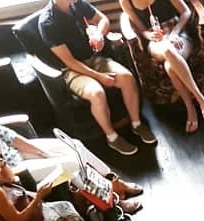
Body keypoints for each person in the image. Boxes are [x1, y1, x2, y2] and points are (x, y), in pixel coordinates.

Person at [0, 84, 143, 215]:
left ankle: (114, 182)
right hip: (12, 172)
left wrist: (40, 151)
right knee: (71, 163)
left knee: (74, 145)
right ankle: (113, 202)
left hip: (15, 152)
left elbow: (8, 136)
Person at [39, 0, 157, 155]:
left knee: (127, 78)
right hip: (73, 70)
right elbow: (69, 61)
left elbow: (103, 20)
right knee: (97, 93)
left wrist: (99, 35)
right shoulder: (47, 22)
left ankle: (136, 123)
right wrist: (99, 77)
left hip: (95, 59)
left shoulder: (78, 4)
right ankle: (112, 137)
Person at [118, 0, 204, 133]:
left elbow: (185, 11)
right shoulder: (125, 1)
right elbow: (141, 28)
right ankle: (201, 99)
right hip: (156, 41)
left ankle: (190, 108)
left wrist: (175, 33)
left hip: (178, 33)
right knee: (168, 51)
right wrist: (149, 35)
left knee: (170, 67)